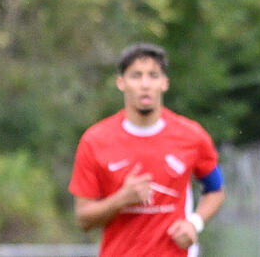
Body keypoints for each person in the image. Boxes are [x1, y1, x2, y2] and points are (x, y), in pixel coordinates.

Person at [68, 43, 225, 257]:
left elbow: (216, 189)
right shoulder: (95, 141)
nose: (145, 84)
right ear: (121, 83)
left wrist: (194, 223)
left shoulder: (192, 136)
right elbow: (83, 218)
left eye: (153, 75)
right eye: (136, 76)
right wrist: (121, 199)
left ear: (164, 83)